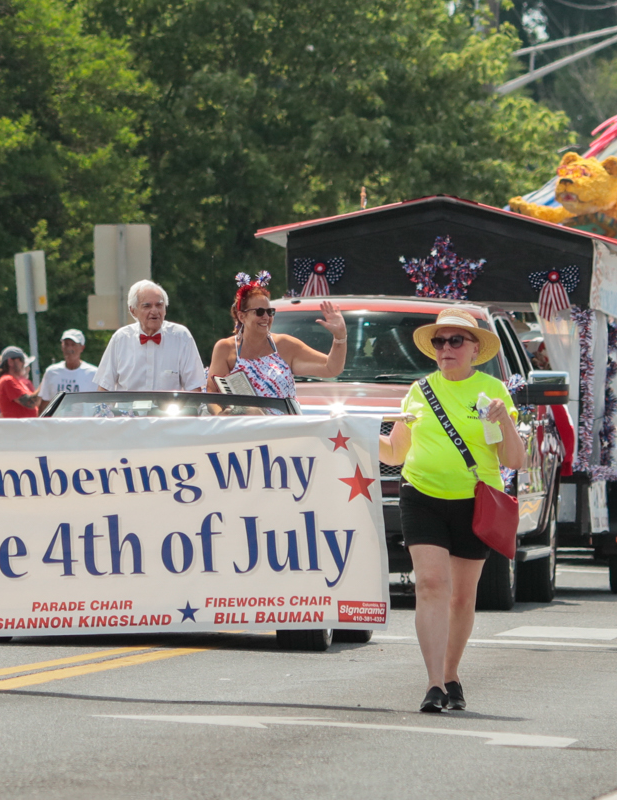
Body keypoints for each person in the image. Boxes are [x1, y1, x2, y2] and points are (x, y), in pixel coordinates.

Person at [377, 304, 526, 714]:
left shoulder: (491, 392)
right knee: (429, 584)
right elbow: (395, 450)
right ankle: (433, 683)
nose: (446, 348)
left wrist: (506, 422)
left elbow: (515, 460)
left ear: (475, 349)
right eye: (440, 341)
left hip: (473, 503)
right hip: (421, 496)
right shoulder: (418, 390)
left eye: (455, 340)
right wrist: (348, 434)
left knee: (461, 597)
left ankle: (452, 672)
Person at [207, 273, 346, 409]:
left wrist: (340, 337)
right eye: (260, 312)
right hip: (245, 428)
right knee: (252, 411)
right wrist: (221, 417)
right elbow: (212, 394)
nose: (266, 317)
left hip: (284, 428)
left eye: (270, 312)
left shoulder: (285, 345)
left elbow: (331, 368)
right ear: (242, 316)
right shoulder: (225, 348)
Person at [94, 281, 206, 393]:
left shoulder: (181, 337)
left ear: (165, 309)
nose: (154, 311)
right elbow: (104, 386)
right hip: (127, 410)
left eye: (159, 305)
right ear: (133, 311)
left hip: (169, 410)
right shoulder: (120, 339)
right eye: (147, 306)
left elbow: (194, 387)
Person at [36, 329, 98, 408]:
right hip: (58, 420)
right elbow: (44, 403)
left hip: (83, 420)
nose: (69, 348)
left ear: (82, 348)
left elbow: (101, 403)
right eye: (66, 344)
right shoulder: (51, 372)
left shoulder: (93, 373)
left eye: (73, 344)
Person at [0, 349, 42, 418]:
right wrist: (45, 382)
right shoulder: (7, 380)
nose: (24, 363)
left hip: (24, 427)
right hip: (18, 427)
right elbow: (30, 403)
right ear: (10, 362)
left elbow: (36, 402)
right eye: (21, 360)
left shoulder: (17, 381)